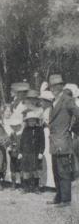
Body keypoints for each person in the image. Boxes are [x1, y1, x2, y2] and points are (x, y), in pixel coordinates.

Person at [46, 74, 79, 207]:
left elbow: (78, 114)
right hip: (54, 142)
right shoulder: (53, 101)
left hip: (63, 141)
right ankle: (59, 197)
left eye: (56, 85)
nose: (54, 88)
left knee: (63, 172)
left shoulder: (67, 100)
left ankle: (66, 200)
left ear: (61, 86)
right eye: (52, 86)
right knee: (56, 171)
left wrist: (72, 129)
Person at [18, 111, 45, 194]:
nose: (32, 122)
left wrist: (41, 152)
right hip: (26, 153)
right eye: (30, 121)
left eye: (33, 120)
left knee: (35, 171)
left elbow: (42, 142)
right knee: (26, 171)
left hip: (35, 153)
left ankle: (36, 187)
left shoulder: (40, 130)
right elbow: (21, 142)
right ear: (27, 121)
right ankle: (26, 187)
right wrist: (20, 152)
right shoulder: (25, 130)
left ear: (36, 121)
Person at [6, 115, 23, 190]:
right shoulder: (12, 134)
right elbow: (10, 142)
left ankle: (23, 185)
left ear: (19, 126)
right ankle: (13, 184)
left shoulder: (22, 135)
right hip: (13, 154)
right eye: (13, 126)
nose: (15, 128)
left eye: (16, 126)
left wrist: (21, 153)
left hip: (20, 155)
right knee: (13, 170)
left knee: (21, 170)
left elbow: (24, 145)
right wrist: (9, 147)